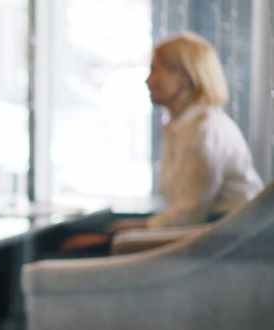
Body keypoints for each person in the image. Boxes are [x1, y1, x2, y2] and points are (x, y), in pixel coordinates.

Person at [63, 32, 264, 252]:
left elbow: (190, 214)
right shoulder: (186, 127)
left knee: (83, 247)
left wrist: (129, 232)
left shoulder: (206, 131)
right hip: (210, 238)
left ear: (185, 76)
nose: (148, 80)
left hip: (224, 247)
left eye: (155, 69)